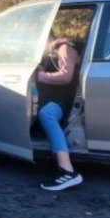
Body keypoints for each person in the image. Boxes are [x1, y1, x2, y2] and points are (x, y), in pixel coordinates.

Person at [37, 36, 84, 191]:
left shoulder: (64, 47)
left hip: (61, 101)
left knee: (47, 114)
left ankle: (67, 170)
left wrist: (39, 76)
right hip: (58, 98)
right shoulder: (57, 49)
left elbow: (65, 76)